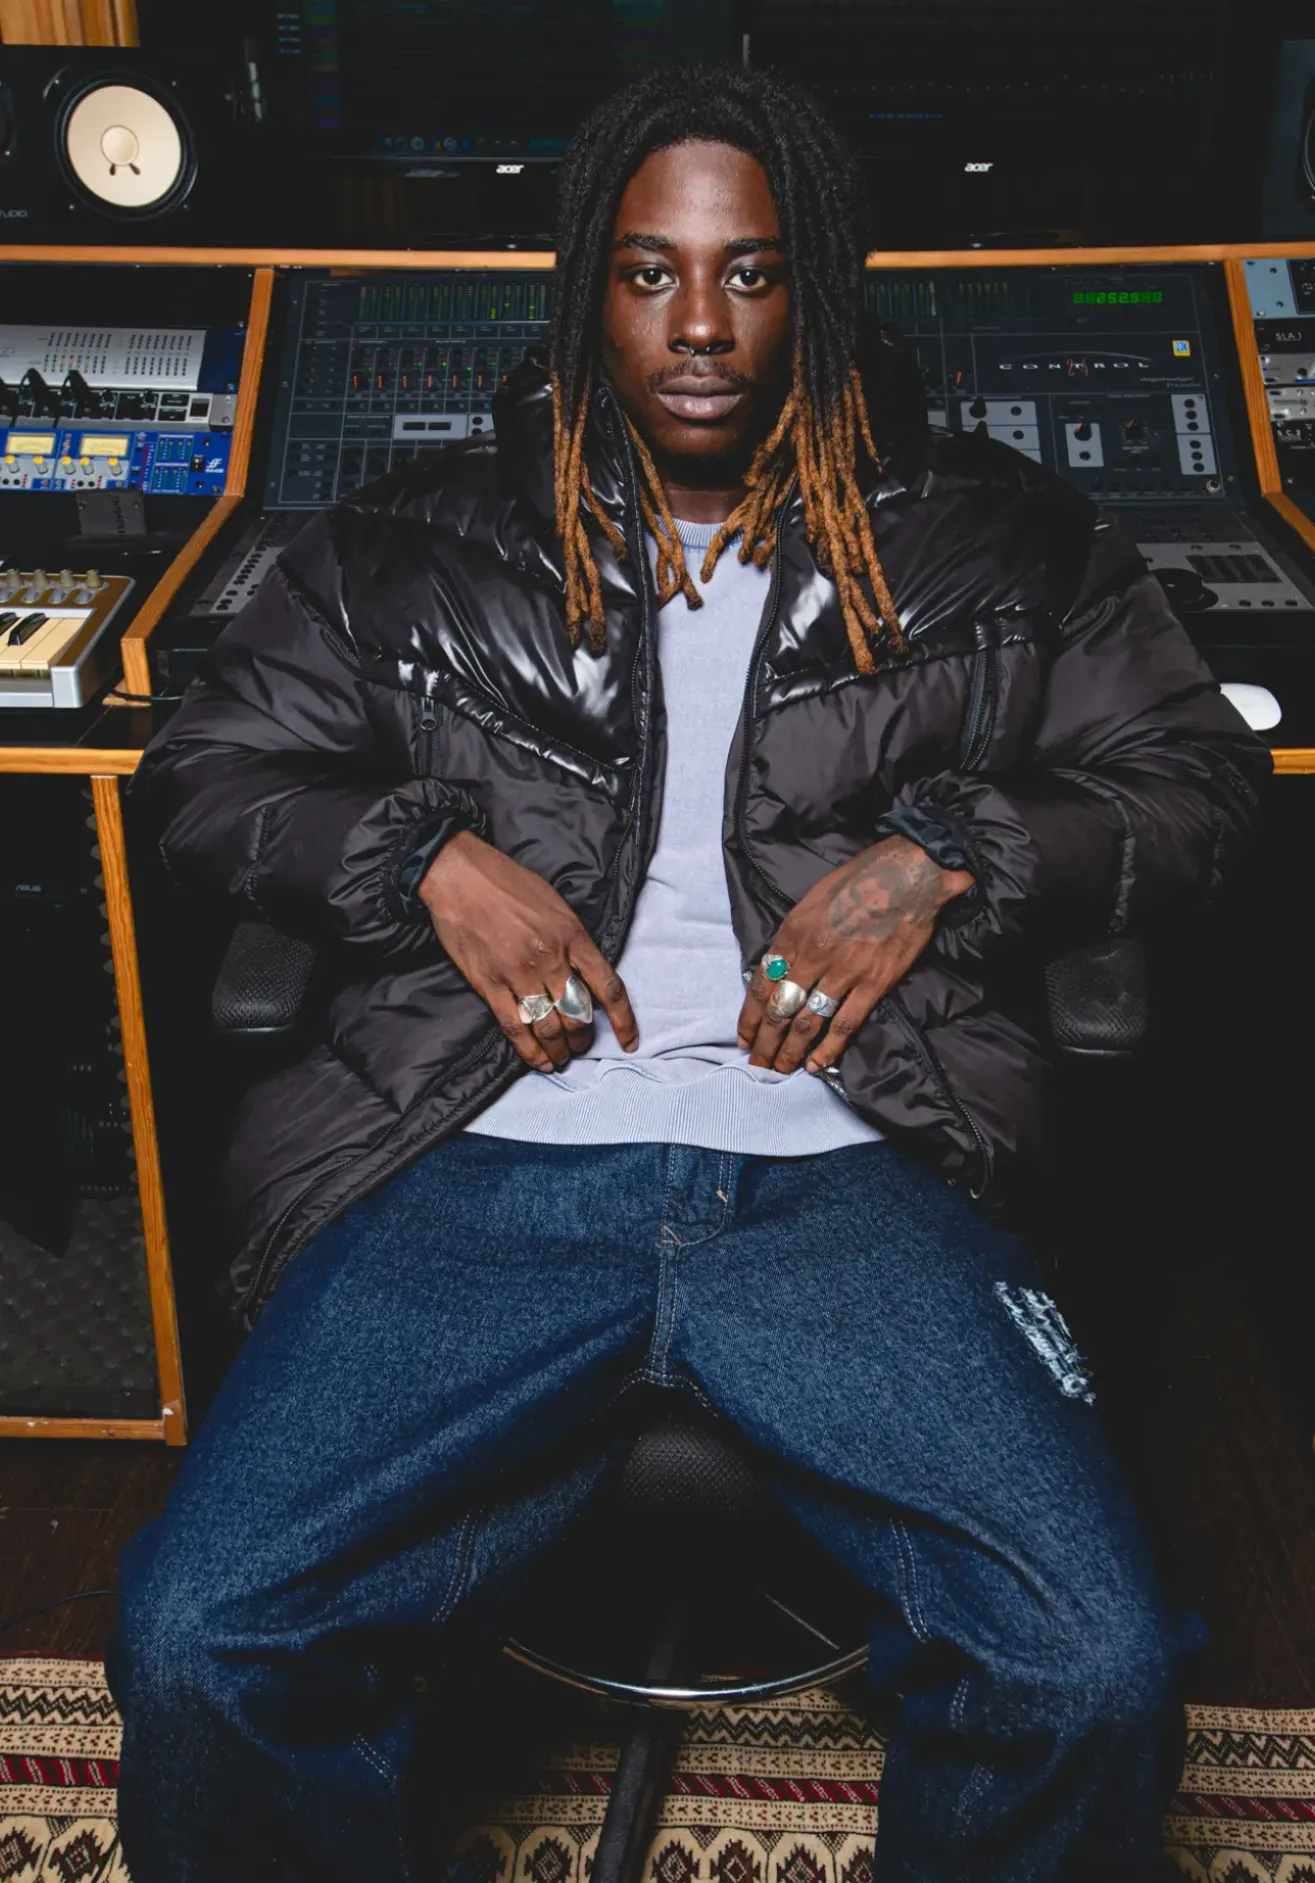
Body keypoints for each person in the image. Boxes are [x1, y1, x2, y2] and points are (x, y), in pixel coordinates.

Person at [106, 63, 1268, 1883]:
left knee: (1087, 1666)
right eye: (651, 273)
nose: (701, 325)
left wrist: (944, 855)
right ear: (593, 286)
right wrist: (419, 857)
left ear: (818, 286)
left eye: (750, 272)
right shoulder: (400, 545)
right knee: (200, 1635)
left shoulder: (1004, 541)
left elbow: (1195, 785)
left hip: (850, 1162)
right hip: (485, 1152)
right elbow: (202, 777)